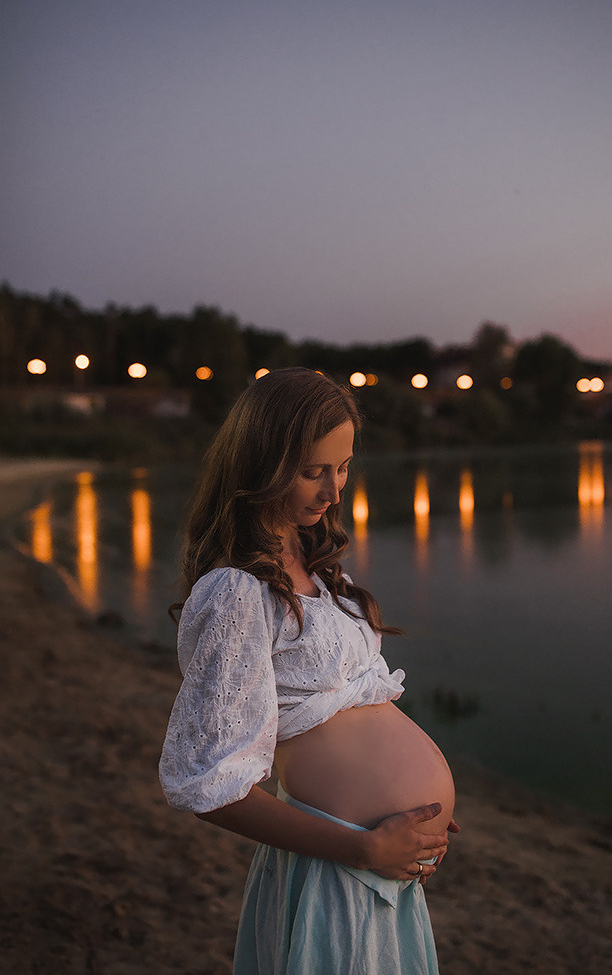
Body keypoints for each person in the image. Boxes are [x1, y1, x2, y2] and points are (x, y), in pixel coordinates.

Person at [159, 367, 459, 974]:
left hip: (379, 868)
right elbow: (209, 787)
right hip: (337, 867)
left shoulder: (317, 568)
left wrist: (418, 819)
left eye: (344, 467)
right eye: (312, 471)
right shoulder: (235, 592)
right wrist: (364, 844)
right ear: (261, 465)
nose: (333, 491)